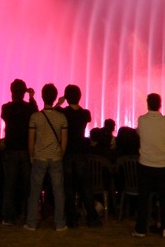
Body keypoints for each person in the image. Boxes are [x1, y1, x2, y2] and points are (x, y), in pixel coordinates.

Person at [24, 83, 68, 232]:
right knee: (58, 192)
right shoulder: (61, 117)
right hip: (56, 158)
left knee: (34, 192)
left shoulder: (35, 117)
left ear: (42, 97)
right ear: (55, 97)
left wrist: (32, 155)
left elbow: (31, 139)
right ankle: (60, 224)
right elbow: (64, 140)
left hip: (39, 157)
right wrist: (60, 154)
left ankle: (31, 223)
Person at [134, 92, 165, 237]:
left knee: (143, 197)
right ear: (160, 105)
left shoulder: (141, 120)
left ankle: (140, 230)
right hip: (162, 164)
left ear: (147, 104)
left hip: (145, 163)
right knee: (164, 197)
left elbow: (139, 134)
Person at [59, 83, 101, 228]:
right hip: (81, 152)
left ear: (66, 97)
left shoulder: (63, 113)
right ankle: (92, 218)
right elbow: (88, 119)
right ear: (79, 97)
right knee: (85, 187)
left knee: (68, 187)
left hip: (67, 152)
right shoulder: (84, 113)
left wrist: (59, 102)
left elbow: (54, 111)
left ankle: (72, 219)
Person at [0, 79, 35, 225]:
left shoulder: (6, 108)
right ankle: (26, 214)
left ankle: (8, 216)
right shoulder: (28, 108)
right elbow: (35, 113)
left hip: (11, 148)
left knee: (9, 184)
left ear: (11, 91)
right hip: (26, 149)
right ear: (24, 92)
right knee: (27, 184)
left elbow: (5, 118)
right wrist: (31, 97)